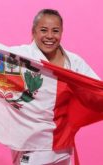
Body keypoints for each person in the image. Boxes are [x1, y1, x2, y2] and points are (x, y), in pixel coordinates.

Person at [8, 9, 100, 165]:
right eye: (43, 30)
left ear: (62, 32)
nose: (50, 36)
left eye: (55, 31)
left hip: (62, 144)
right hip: (31, 145)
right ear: (33, 32)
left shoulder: (74, 62)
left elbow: (97, 90)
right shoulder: (19, 56)